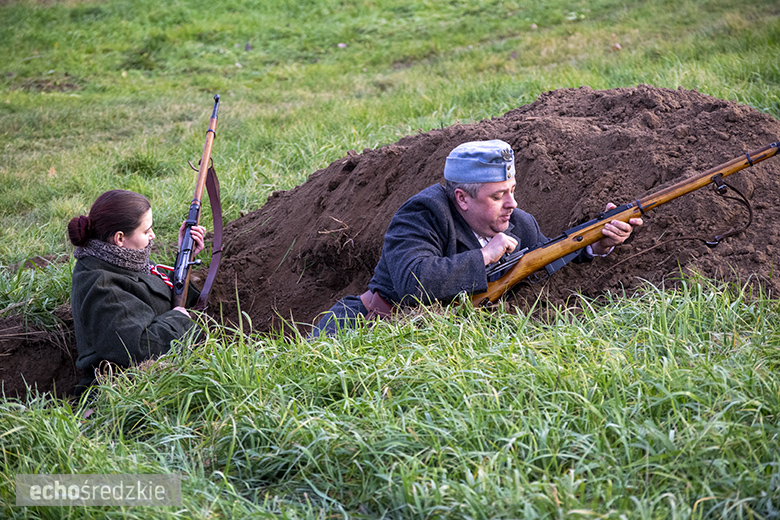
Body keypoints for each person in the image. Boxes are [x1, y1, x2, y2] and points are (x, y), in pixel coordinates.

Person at [311, 139, 643, 337]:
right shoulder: (423, 214)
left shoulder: (520, 223)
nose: (512, 204)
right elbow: (415, 282)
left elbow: (548, 258)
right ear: (462, 199)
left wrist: (599, 244)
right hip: (365, 329)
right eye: (498, 196)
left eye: (512, 191)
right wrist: (486, 257)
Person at [67, 189, 207, 395]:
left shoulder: (121, 258)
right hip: (125, 393)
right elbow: (138, 349)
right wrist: (179, 320)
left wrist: (184, 257)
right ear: (120, 238)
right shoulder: (102, 286)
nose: (153, 236)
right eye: (146, 231)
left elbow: (155, 295)